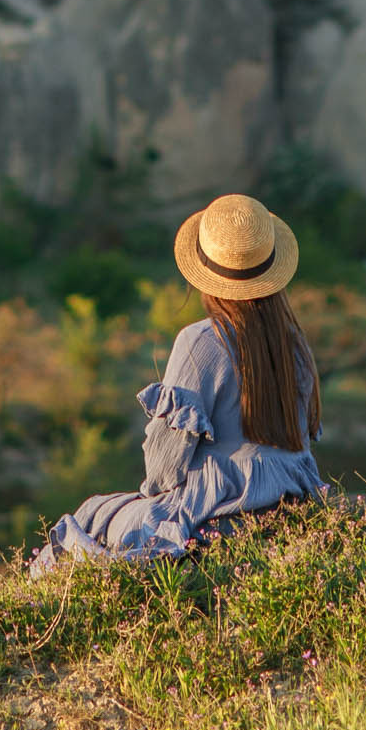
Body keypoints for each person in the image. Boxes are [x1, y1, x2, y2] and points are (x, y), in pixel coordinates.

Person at [34, 192, 323, 567]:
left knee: (92, 515)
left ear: (204, 274)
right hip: (289, 506)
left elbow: (163, 469)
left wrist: (155, 502)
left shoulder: (201, 341)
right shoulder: (294, 345)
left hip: (216, 514)